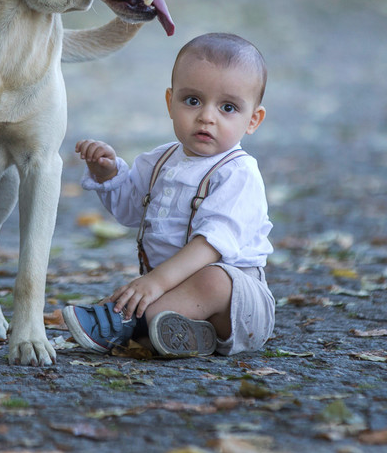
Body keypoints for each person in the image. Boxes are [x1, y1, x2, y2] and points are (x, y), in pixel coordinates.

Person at [62, 32, 275, 357]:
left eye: (228, 107)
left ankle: (130, 323)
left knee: (213, 279)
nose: (207, 116)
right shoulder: (159, 161)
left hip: (240, 307)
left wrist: (154, 283)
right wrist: (108, 174)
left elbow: (211, 245)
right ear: (169, 102)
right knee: (142, 301)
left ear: (253, 120)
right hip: (172, 293)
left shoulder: (238, 173)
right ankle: (178, 334)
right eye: (192, 101)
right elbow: (131, 211)